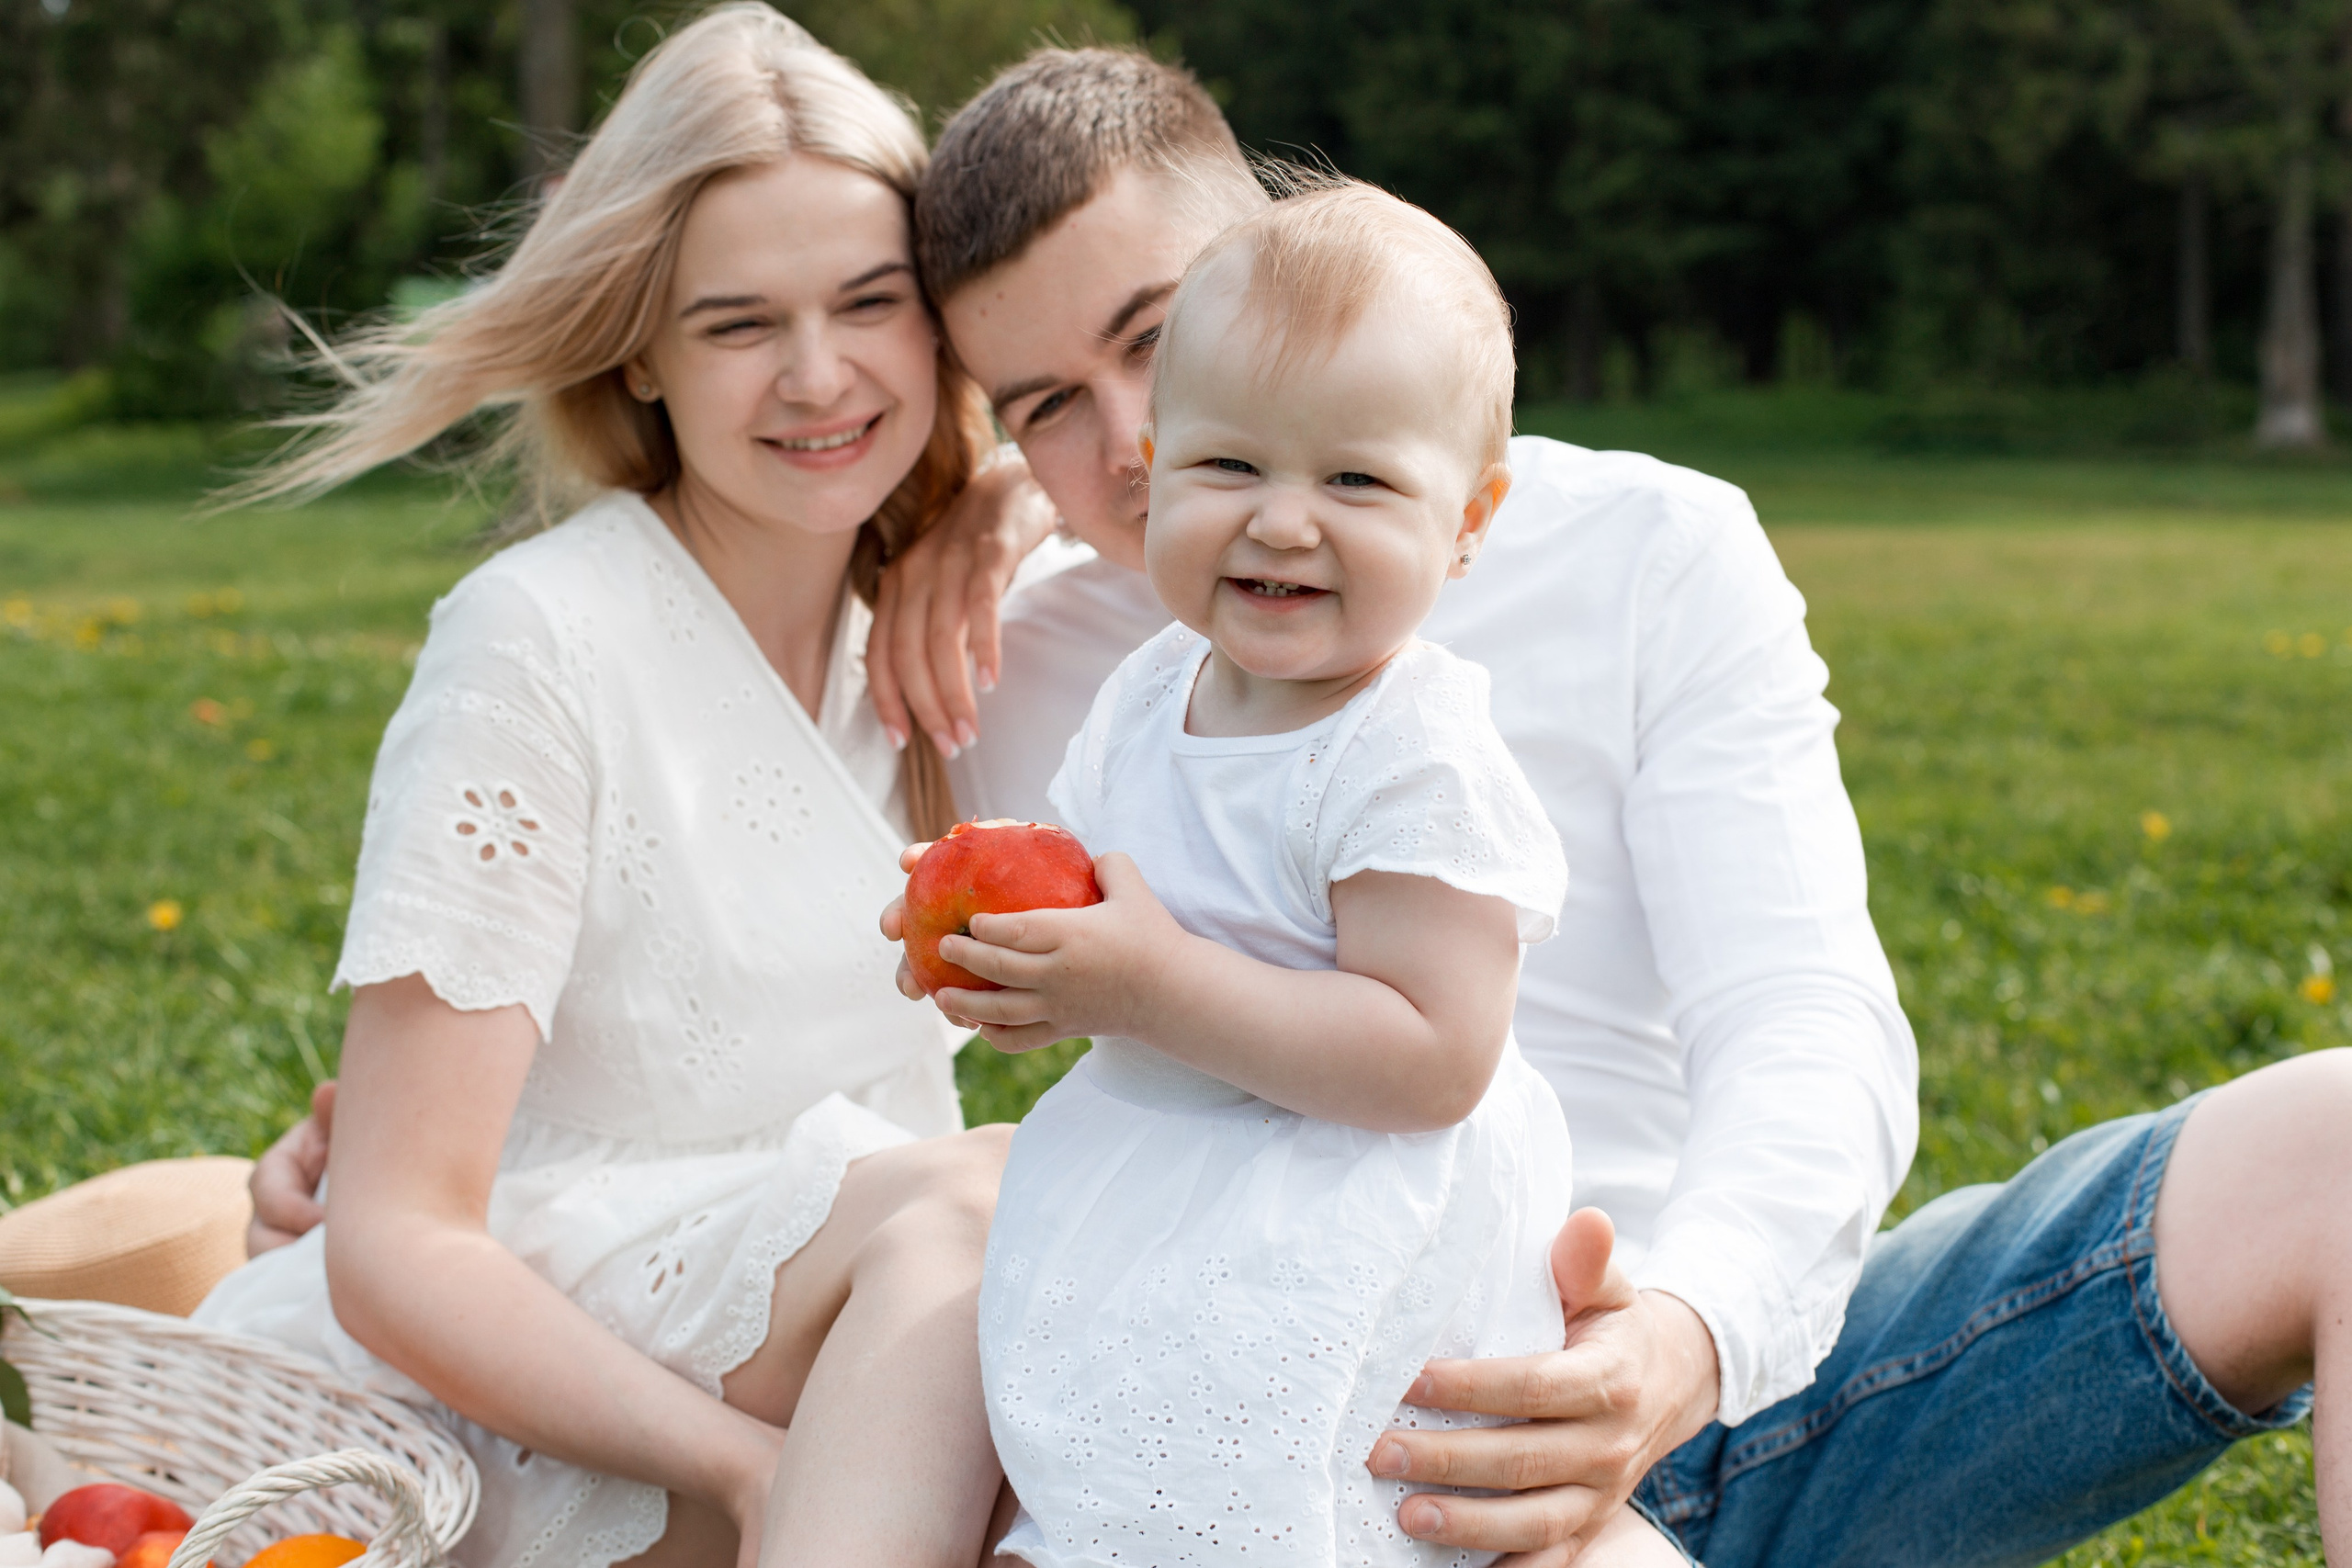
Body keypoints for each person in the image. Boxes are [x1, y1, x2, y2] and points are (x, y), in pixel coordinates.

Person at [247, 40, 2349, 1568]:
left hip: (1732, 1377)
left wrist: (1678, 1340)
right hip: (1269, 1449)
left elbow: (1807, 1025)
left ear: (1288, 244)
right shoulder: (1013, 641)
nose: (1138, 445)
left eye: (1161, 336)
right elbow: (739, 909)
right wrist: (399, 1136)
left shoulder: (1650, 549)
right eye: (1044, 407)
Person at [195, 9, 1039, 1565]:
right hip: (562, 1384)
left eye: (873, 302)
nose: (818, 375)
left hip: (889, 1332)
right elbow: (394, 1238)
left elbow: (1253, 429)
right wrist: (742, 1470)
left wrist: (1012, 486)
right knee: (998, 1201)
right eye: (736, 324)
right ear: (639, 347)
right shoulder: (541, 641)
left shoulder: (951, 621)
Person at [922, 181, 1671, 1566]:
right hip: (1164, 1192)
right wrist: (1025, 960)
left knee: (1305, 1504)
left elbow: (1433, 1054)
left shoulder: (1409, 752)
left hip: (1344, 1226)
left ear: (1470, 517)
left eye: (1357, 481)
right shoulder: (1151, 694)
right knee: (1132, 1487)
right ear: (1158, 463)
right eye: (1228, 468)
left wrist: (1150, 988)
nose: (1281, 522)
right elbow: (1103, 908)